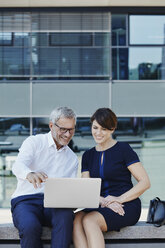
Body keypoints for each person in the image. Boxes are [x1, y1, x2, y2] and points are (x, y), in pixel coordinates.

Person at [73, 108, 150, 248]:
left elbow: (145, 182)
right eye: (95, 127)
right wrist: (105, 202)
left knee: (90, 220)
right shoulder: (87, 156)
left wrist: (118, 199)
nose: (98, 132)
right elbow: (86, 188)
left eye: (103, 129)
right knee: (76, 219)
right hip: (101, 203)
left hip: (126, 204)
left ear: (112, 129)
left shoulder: (124, 150)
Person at [11, 107, 79, 248]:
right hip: (26, 200)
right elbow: (18, 166)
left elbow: (68, 190)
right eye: (63, 129)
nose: (67, 134)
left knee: (66, 217)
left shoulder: (72, 158)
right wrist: (29, 174)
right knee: (30, 226)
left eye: (71, 129)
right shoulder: (34, 142)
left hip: (54, 204)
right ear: (51, 126)